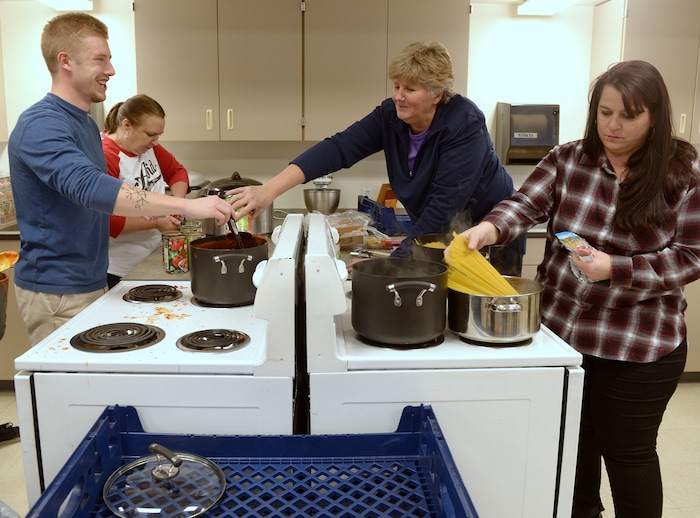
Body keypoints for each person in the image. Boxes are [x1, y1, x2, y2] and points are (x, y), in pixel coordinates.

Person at [449, 60, 700, 518]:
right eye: (605, 113)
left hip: (639, 344)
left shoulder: (684, 173)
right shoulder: (570, 158)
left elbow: (691, 255)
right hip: (564, 337)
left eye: (629, 115)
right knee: (572, 449)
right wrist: (489, 228)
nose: (613, 126)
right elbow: (526, 203)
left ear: (656, 116)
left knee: (628, 456)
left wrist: (617, 269)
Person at [8, 13, 232, 345]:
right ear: (65, 61)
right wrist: (188, 205)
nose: (111, 70)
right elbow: (91, 188)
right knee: (67, 392)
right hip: (58, 290)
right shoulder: (41, 124)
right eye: (100, 59)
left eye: (110, 59)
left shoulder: (82, 123)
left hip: (89, 280)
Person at [228, 41, 523, 269]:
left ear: (436, 94)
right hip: (437, 239)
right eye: (396, 86)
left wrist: (389, 267)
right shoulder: (390, 116)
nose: (398, 95)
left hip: (491, 241)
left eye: (410, 88)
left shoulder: (464, 122)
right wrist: (269, 190)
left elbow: (444, 209)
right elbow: (339, 147)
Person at [102, 95, 189, 288]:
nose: (156, 142)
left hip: (151, 258)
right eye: (150, 134)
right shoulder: (106, 156)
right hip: (120, 270)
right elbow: (106, 222)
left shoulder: (149, 149)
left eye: (159, 135)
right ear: (127, 125)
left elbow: (177, 172)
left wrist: (177, 204)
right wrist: (157, 222)